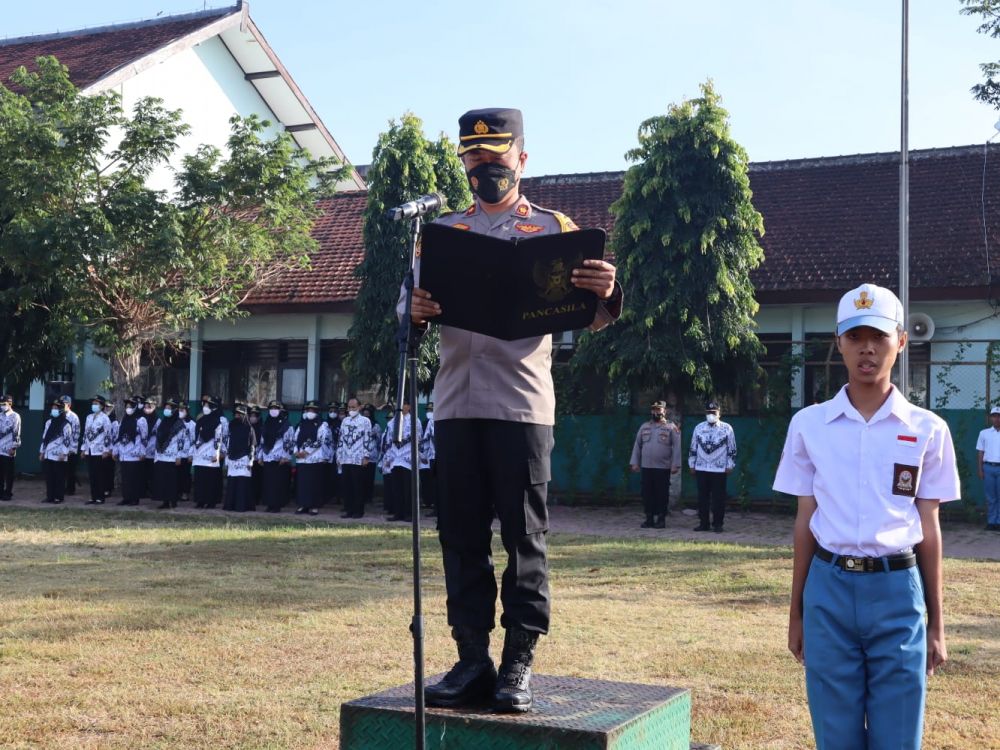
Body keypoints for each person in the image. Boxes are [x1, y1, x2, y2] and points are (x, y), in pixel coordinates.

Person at [406, 108, 622, 712]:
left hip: (522, 407)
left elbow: (596, 314)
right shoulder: (442, 233)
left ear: (521, 159)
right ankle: (471, 658)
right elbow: (410, 311)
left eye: (496, 156)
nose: (485, 167)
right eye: (473, 157)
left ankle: (518, 664)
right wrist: (415, 309)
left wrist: (606, 288)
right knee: (461, 535)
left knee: (525, 537)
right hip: (455, 405)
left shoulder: (555, 228)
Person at [773, 283, 960, 750]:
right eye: (855, 337)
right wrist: (795, 612)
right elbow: (804, 523)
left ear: (901, 340)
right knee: (835, 735)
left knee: (898, 734)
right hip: (829, 588)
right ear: (838, 343)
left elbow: (929, 528)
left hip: (897, 590)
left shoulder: (927, 429)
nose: (867, 349)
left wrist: (936, 624)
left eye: (878, 336)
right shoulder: (809, 425)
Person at [630, 400, 682, 528]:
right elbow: (637, 445)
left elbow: (677, 447)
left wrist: (675, 465)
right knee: (647, 493)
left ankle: (661, 518)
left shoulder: (671, 427)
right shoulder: (644, 427)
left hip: (663, 468)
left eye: (659, 410)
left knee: (661, 494)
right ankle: (649, 518)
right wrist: (634, 462)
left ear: (665, 411)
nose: (656, 412)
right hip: (647, 467)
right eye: (654, 409)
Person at [688, 401, 736, 532]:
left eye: (714, 413)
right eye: (709, 413)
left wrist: (730, 464)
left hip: (719, 468)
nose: (711, 415)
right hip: (701, 467)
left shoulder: (727, 428)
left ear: (719, 413)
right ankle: (703, 523)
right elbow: (693, 447)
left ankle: (718, 524)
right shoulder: (699, 428)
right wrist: (691, 464)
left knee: (718, 498)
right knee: (702, 497)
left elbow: (732, 448)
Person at [336, 396, 373, 519]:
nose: (351, 409)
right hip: (346, 457)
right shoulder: (345, 421)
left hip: (358, 458)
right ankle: (349, 509)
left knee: (358, 486)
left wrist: (366, 456)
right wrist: (339, 455)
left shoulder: (365, 421)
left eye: (353, 407)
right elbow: (341, 439)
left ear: (359, 407)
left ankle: (358, 511)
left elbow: (368, 439)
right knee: (347, 486)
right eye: (349, 407)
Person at [293, 400, 331, 516]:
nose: (310, 412)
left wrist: (306, 451)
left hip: (314, 458)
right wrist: (296, 452)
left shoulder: (322, 424)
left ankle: (314, 506)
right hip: (301, 459)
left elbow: (320, 441)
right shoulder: (301, 424)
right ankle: (303, 505)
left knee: (314, 483)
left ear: (318, 412)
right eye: (308, 410)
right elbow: (295, 439)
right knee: (302, 483)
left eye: (313, 410)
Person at [152, 398, 189, 509]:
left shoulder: (179, 424)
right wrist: (156, 455)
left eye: (169, 408)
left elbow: (181, 441)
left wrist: (179, 456)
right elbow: (158, 439)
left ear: (174, 410)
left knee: (171, 480)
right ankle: (165, 501)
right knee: (162, 479)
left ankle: (173, 501)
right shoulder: (162, 422)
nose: (166, 410)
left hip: (172, 456)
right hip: (161, 456)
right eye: (166, 408)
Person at [192, 395, 227, 509]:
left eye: (208, 405)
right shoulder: (200, 420)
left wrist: (218, 453)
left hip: (211, 453)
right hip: (199, 454)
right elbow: (196, 437)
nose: (205, 407)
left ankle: (211, 501)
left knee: (210, 479)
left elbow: (219, 438)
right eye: (204, 405)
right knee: (200, 478)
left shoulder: (218, 421)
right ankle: (200, 500)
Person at [112, 396, 148, 506]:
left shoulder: (141, 420)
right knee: (125, 477)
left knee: (134, 478)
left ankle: (134, 498)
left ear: (135, 407)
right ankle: (126, 497)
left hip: (135, 454)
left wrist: (142, 452)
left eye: (130, 406)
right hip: (123, 453)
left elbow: (144, 437)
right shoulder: (124, 419)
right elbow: (119, 436)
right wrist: (116, 451)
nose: (128, 408)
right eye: (126, 406)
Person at [259, 400, 293, 512]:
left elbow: (288, 441)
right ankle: (269, 504)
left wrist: (285, 456)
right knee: (268, 482)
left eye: (276, 408)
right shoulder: (267, 423)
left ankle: (277, 505)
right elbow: (262, 440)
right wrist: (260, 456)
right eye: (271, 408)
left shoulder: (286, 425)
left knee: (278, 483)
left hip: (279, 458)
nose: (273, 410)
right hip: (268, 456)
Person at [39, 398, 74, 504]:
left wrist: (64, 453)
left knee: (59, 477)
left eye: (56, 408)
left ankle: (59, 497)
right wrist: (42, 452)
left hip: (59, 455)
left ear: (61, 409)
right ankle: (50, 496)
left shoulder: (66, 424)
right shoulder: (49, 422)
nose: (53, 409)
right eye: (52, 408)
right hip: (48, 454)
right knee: (49, 477)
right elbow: (44, 438)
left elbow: (67, 440)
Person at [80, 395, 113, 505]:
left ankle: (100, 497)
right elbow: (85, 434)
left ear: (102, 406)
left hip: (99, 451)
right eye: (93, 403)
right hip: (90, 450)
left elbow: (108, 435)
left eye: (96, 404)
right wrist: (83, 449)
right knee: (92, 475)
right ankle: (93, 496)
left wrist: (106, 450)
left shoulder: (105, 418)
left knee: (99, 475)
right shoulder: (89, 417)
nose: (94, 405)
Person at [223, 403, 256, 512]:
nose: (237, 416)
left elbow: (252, 444)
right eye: (236, 414)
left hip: (244, 457)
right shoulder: (231, 426)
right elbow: (227, 441)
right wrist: (227, 456)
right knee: (232, 483)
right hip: (232, 457)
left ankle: (241, 506)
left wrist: (250, 459)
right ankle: (230, 505)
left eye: (240, 414)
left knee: (242, 483)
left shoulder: (249, 428)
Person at [975, 406, 1000, 531]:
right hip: (988, 467)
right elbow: (980, 452)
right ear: (990, 418)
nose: (997, 418)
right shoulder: (983, 433)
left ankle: (999, 522)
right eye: (994, 416)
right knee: (991, 497)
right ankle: (991, 522)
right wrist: (980, 469)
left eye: (999, 416)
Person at [0, 394, 22, 501]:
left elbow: (16, 432)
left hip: (8, 449)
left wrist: (14, 448)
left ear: (10, 403)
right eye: (1, 404)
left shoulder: (15, 416)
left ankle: (8, 492)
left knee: (8, 473)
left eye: (4, 404)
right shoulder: (0, 416)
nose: (2, 406)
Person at [361, 404, 381, 512]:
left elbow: (379, 440)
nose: (366, 413)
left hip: (372, 456)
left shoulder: (376, 425)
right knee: (361, 478)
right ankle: (362, 496)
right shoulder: (360, 424)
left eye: (368, 412)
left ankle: (369, 497)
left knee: (369, 477)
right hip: (361, 455)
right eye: (364, 412)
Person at [61, 395, 81, 496]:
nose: (62, 405)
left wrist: (71, 448)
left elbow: (76, 434)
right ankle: (61, 487)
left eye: (64, 403)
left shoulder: (74, 417)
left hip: (71, 448)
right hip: (60, 448)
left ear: (69, 404)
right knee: (61, 470)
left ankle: (70, 489)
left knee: (70, 470)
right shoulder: (59, 415)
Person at [420, 401, 437, 515]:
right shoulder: (429, 422)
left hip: (442, 456)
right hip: (432, 456)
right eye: (428, 410)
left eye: (431, 410)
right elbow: (425, 439)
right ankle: (435, 506)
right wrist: (423, 454)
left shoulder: (437, 421)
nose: (429, 412)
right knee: (434, 482)